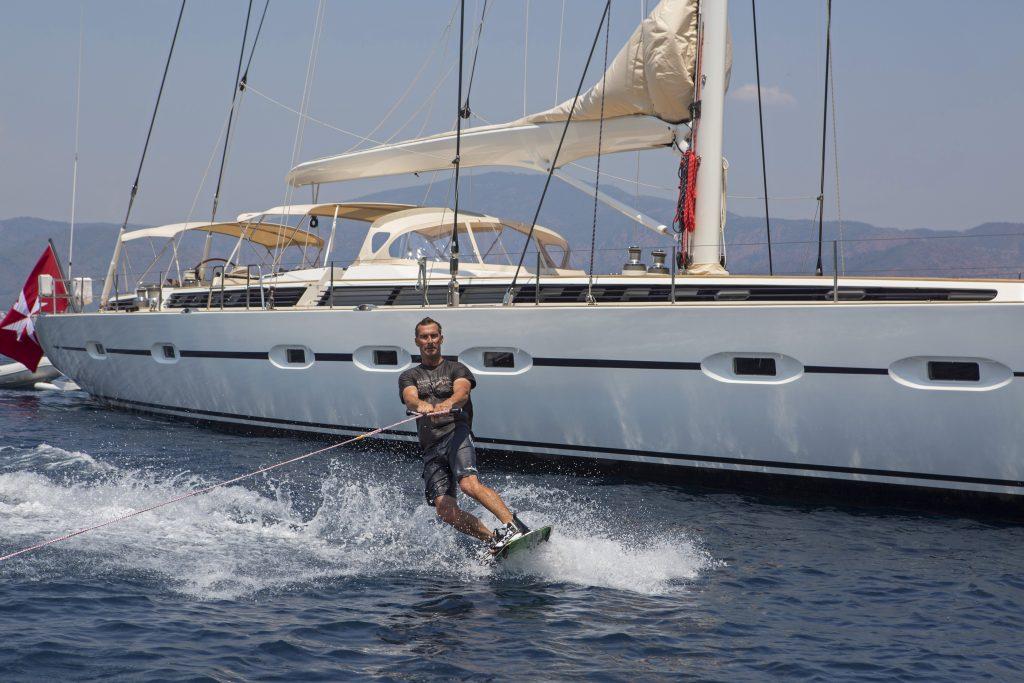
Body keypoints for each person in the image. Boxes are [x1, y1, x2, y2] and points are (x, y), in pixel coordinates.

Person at [399, 317, 529, 553]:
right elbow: (410, 398)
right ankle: (494, 541)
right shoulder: (409, 376)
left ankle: (514, 526)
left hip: (455, 434)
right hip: (430, 446)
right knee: (445, 510)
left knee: (469, 484)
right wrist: (421, 405)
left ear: (441, 338)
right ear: (417, 341)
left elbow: (462, 393)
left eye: (434, 336)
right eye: (424, 337)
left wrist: (447, 403)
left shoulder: (457, 369)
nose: (430, 341)